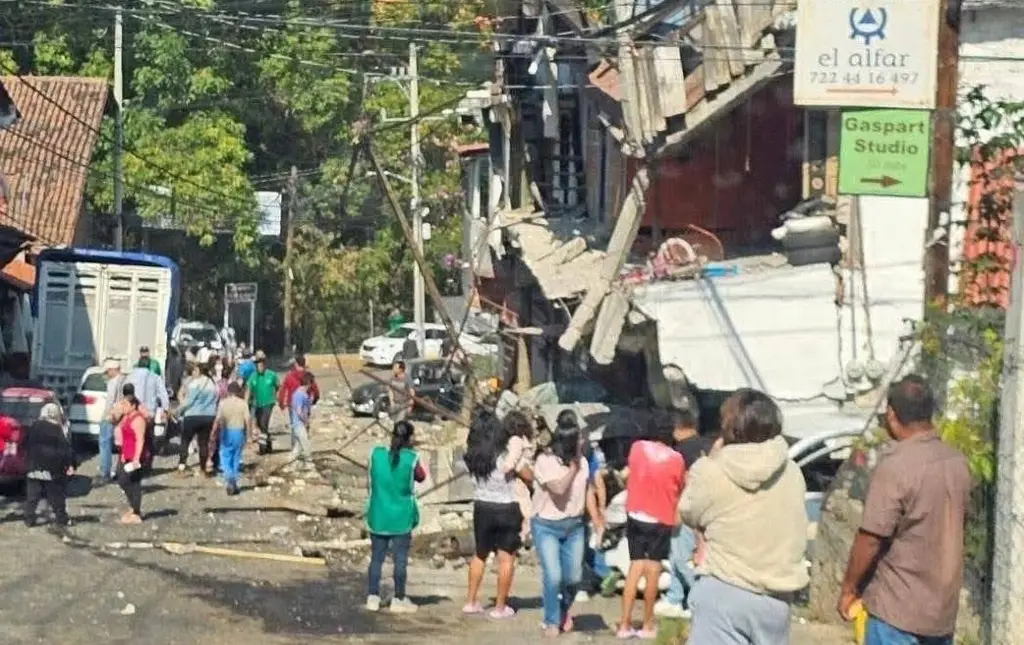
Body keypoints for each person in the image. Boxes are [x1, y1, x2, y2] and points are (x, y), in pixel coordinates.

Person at [838, 376, 971, 645]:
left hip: (896, 611)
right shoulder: (957, 463)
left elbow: (871, 537)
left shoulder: (896, 466)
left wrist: (849, 588)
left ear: (891, 414)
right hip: (940, 614)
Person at [679, 389, 808, 645]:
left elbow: (688, 510)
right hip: (776, 599)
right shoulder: (791, 471)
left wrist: (711, 459)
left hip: (725, 590)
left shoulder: (714, 471)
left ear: (729, 428)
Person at [616, 410, 686, 639]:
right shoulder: (676, 459)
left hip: (635, 513)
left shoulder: (638, 448)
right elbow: (680, 488)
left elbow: (630, 472)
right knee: (653, 570)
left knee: (635, 568)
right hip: (660, 518)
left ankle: (624, 624)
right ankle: (647, 625)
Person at [462, 410, 531, 619]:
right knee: (506, 558)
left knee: (480, 554)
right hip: (506, 507)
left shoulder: (471, 457)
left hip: (482, 507)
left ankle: (471, 601)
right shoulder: (504, 454)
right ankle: (500, 607)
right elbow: (526, 475)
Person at [531, 410, 594, 637]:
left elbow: (587, 491)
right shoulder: (545, 461)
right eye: (579, 439)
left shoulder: (584, 463)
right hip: (546, 525)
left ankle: (562, 610)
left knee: (574, 577)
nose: (583, 442)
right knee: (554, 575)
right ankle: (551, 619)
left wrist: (595, 517)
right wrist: (573, 470)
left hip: (575, 525)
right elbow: (558, 490)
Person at [364, 420, 427, 613]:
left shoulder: (376, 454)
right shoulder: (411, 459)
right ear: (409, 438)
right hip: (401, 517)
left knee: (376, 558)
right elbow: (421, 476)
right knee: (400, 560)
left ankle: (372, 597)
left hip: (378, 514)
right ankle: (399, 598)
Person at [655, 406, 706, 619]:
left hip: (685, 512)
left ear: (678, 428)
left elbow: (682, 484)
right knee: (678, 556)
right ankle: (675, 597)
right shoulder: (704, 446)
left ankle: (696, 601)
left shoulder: (682, 452)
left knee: (682, 559)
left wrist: (675, 509)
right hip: (701, 510)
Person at [23, 402, 77, 531]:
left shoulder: (34, 426)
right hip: (52, 468)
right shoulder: (56, 429)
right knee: (56, 495)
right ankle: (61, 518)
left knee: (32, 495)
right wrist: (71, 464)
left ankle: (29, 518)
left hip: (34, 466)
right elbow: (65, 450)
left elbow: (25, 444)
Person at [210, 381, 254, 496]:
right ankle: (234, 479)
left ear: (228, 391)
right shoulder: (243, 404)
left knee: (225, 455)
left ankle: (230, 478)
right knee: (236, 457)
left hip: (226, 432)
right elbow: (248, 420)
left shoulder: (223, 403)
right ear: (238, 392)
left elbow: (218, 420)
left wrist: (213, 433)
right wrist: (249, 436)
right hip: (239, 432)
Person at [127, 356, 169, 471]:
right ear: (149, 365)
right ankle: (146, 464)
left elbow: (124, 393)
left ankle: (132, 461)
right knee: (148, 439)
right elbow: (163, 394)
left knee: (133, 439)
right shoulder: (155, 377)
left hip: (133, 413)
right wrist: (165, 410)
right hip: (149, 414)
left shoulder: (130, 376)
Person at [177, 363, 220, 476]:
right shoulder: (212, 384)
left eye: (195, 371)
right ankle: (203, 468)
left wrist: (178, 410)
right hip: (209, 417)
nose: (193, 373)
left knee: (185, 441)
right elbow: (216, 400)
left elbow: (189, 401)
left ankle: (181, 467)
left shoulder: (195, 383)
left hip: (192, 416)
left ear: (200, 372)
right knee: (203, 443)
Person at [114, 383, 149, 524]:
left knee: (132, 483)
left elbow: (140, 440)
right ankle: (133, 508)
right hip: (126, 453)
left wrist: (136, 459)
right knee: (122, 479)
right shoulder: (127, 418)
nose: (123, 407)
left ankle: (136, 512)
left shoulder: (138, 419)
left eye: (126, 405)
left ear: (133, 405)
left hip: (136, 455)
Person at [97, 358, 125, 485]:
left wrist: (105, 416)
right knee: (120, 444)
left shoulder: (113, 382)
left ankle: (104, 472)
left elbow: (110, 401)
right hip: (121, 415)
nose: (107, 374)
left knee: (104, 443)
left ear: (114, 370)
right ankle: (119, 471)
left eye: (108, 371)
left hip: (111, 415)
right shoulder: (124, 380)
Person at [246, 351, 278, 455]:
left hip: (268, 403)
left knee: (264, 424)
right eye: (257, 365)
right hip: (257, 404)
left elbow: (278, 386)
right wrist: (245, 404)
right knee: (260, 426)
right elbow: (248, 391)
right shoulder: (253, 377)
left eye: (261, 364)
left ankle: (262, 447)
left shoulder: (271, 375)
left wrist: (276, 398)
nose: (259, 367)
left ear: (265, 365)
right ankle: (268, 445)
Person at [288, 372, 315, 467]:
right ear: (309, 383)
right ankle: (310, 466)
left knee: (298, 447)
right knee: (306, 446)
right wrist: (306, 421)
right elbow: (299, 411)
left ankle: (291, 465)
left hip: (299, 425)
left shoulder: (303, 394)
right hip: (299, 424)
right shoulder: (299, 394)